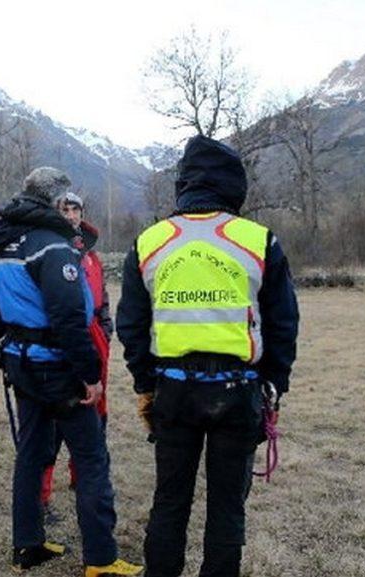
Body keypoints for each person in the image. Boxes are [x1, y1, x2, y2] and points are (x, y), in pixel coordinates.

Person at [116, 135, 299, 577]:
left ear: (184, 185)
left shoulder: (150, 242)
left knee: (170, 502)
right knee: (226, 509)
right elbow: (283, 322)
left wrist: (145, 383)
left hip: (173, 391)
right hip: (238, 392)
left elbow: (131, 325)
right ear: (233, 185)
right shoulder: (258, 240)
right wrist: (274, 384)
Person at [0, 167, 142, 577]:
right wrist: (90, 374)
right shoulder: (50, 246)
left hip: (22, 363)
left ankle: (27, 546)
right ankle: (102, 561)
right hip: (58, 367)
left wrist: (6, 350)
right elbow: (69, 316)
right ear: (54, 201)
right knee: (91, 461)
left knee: (31, 456)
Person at [41, 191, 113, 516]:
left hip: (94, 341)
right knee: (54, 424)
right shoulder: (46, 249)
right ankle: (40, 497)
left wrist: (105, 333)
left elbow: (103, 302)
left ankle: (81, 479)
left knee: (96, 414)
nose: (70, 215)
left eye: (75, 209)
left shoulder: (90, 254)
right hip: (60, 343)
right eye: (64, 209)